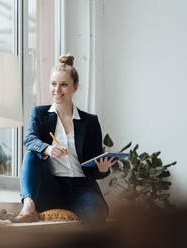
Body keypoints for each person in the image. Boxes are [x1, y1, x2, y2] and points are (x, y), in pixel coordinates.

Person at [15, 54, 117, 224]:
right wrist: (47, 149)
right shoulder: (39, 113)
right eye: (53, 84)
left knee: (97, 215)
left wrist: (102, 169)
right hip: (51, 186)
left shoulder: (90, 122)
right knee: (32, 154)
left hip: (82, 187)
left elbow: (95, 166)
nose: (57, 90)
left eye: (63, 85)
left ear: (75, 87)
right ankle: (28, 206)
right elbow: (30, 139)